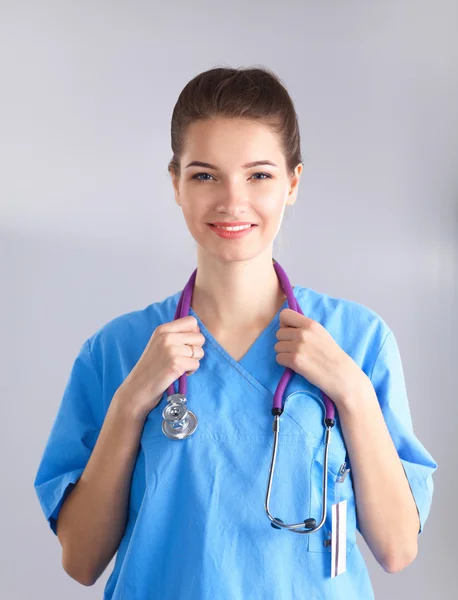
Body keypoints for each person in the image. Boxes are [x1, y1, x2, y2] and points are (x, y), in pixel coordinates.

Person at [34, 66, 437, 600]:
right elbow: (81, 561)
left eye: (259, 175)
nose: (231, 201)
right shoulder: (117, 350)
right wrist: (132, 401)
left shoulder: (358, 340)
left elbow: (397, 549)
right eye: (204, 175)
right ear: (175, 183)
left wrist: (354, 393)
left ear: (293, 183)